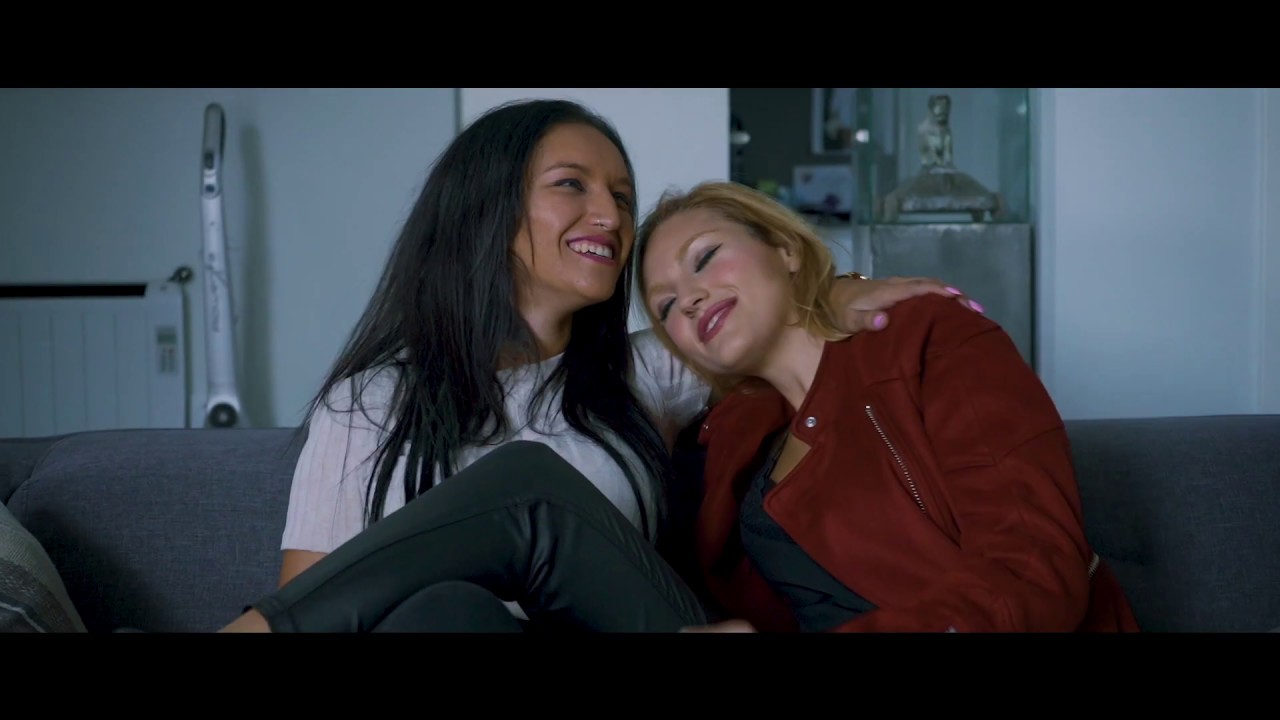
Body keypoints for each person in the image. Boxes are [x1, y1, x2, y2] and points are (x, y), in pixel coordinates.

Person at [219, 99, 978, 633]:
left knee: (526, 488)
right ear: (488, 207)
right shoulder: (370, 404)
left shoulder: (653, 372)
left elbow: (770, 316)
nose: (612, 217)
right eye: (571, 186)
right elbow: (320, 600)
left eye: (621, 195)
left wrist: (842, 290)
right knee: (445, 611)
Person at [635, 180, 1141, 633]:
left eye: (705, 257)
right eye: (666, 306)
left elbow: (1033, 569)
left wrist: (836, 287)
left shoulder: (929, 339)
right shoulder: (733, 438)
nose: (690, 299)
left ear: (785, 249)